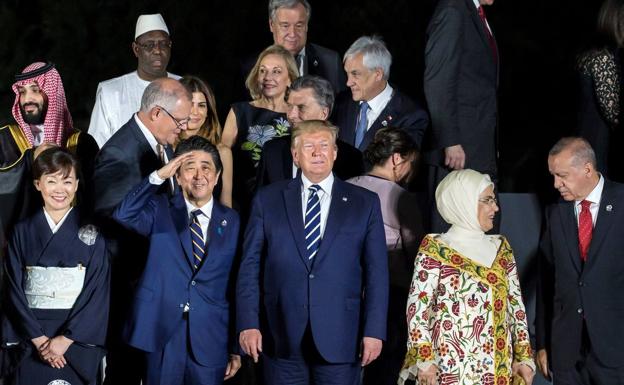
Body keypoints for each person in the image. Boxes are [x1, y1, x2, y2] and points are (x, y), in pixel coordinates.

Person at [237, 120, 389, 385]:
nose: (318, 152)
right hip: (279, 336)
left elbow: (377, 274)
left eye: (324, 146)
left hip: (342, 336)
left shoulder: (364, 203)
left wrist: (374, 331)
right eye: (309, 146)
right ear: (295, 155)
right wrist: (248, 323)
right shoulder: (267, 199)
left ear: (335, 153)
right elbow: (249, 265)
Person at [112, 136, 241, 385]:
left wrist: (236, 345)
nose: (198, 175)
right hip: (162, 332)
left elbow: (237, 283)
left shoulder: (233, 221)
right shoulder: (159, 209)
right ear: (179, 176)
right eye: (189, 168)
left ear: (217, 176)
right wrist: (158, 176)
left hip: (210, 334)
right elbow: (124, 214)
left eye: (206, 167)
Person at [92, 77, 191, 385]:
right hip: (130, 289)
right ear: (156, 113)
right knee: (125, 371)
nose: (183, 127)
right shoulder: (119, 154)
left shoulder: (161, 142)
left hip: (153, 286)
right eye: (180, 120)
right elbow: (112, 226)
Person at [399, 169, 534, 385]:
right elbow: (418, 309)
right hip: (448, 370)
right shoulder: (436, 248)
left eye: (494, 200)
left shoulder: (500, 247)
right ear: (463, 201)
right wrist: (425, 359)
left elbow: (516, 307)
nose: (495, 208)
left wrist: (525, 356)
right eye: (488, 200)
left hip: (498, 371)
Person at [1, 147, 109, 385]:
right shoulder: (21, 232)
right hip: (31, 336)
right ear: (38, 184)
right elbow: (12, 289)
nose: (60, 190)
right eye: (51, 181)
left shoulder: (92, 234)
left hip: (73, 340)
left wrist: (66, 340)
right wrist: (38, 338)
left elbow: (97, 294)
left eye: (67, 181)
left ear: (77, 185)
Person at [536, 137, 624, 384]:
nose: (556, 184)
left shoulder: (622, 202)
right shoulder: (555, 212)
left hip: (615, 350)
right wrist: (542, 342)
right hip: (567, 352)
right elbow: (547, 281)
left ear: (587, 169)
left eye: (562, 175)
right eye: (553, 175)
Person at [347, 127, 423, 385]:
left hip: (345, 296)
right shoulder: (400, 197)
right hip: (390, 299)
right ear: (396, 159)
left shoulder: (345, 187)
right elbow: (417, 256)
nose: (410, 171)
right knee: (383, 372)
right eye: (410, 163)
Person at [423, 0, 499, 232]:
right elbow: (438, 80)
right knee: (454, 225)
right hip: (460, 149)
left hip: (478, 142)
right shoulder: (453, 10)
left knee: (482, 226)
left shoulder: (474, 13)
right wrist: (450, 140)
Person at [0, 62, 99, 239]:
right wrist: (30, 160)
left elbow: (96, 201)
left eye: (35, 90)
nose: (27, 99)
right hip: (17, 248)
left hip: (69, 248)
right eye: (22, 92)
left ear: (53, 94)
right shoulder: (4, 139)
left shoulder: (81, 143)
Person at [222, 44, 298, 209]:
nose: (267, 77)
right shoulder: (239, 111)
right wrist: (225, 200)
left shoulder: (298, 115)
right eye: (263, 71)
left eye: (276, 71)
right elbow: (222, 153)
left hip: (283, 202)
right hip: (242, 201)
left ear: (290, 78)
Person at [88, 13, 180, 147]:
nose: (157, 50)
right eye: (149, 45)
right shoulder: (111, 92)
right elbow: (97, 145)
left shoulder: (185, 86)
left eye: (163, 44)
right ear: (136, 49)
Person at [257, 74, 364, 187]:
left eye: (301, 108)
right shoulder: (272, 150)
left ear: (324, 113)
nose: (292, 115)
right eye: (289, 106)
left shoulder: (351, 158)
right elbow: (259, 200)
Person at [332, 35, 429, 152]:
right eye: (347, 74)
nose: (348, 83)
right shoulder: (340, 103)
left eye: (355, 74)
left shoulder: (411, 117)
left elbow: (402, 166)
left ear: (377, 74)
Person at [241, 0, 346, 99]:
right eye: (285, 26)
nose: (292, 34)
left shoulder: (331, 62)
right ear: (272, 25)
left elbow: (343, 111)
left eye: (299, 26)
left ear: (307, 26)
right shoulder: (251, 66)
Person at [576, 0, 624, 182]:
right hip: (598, 145)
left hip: (589, 142)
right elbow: (613, 112)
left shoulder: (593, 52)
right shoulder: (603, 57)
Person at [178, 76, 234, 208]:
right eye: (190, 104)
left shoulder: (223, 152)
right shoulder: (165, 148)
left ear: (208, 111)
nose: (195, 112)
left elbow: (226, 204)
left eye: (201, 105)